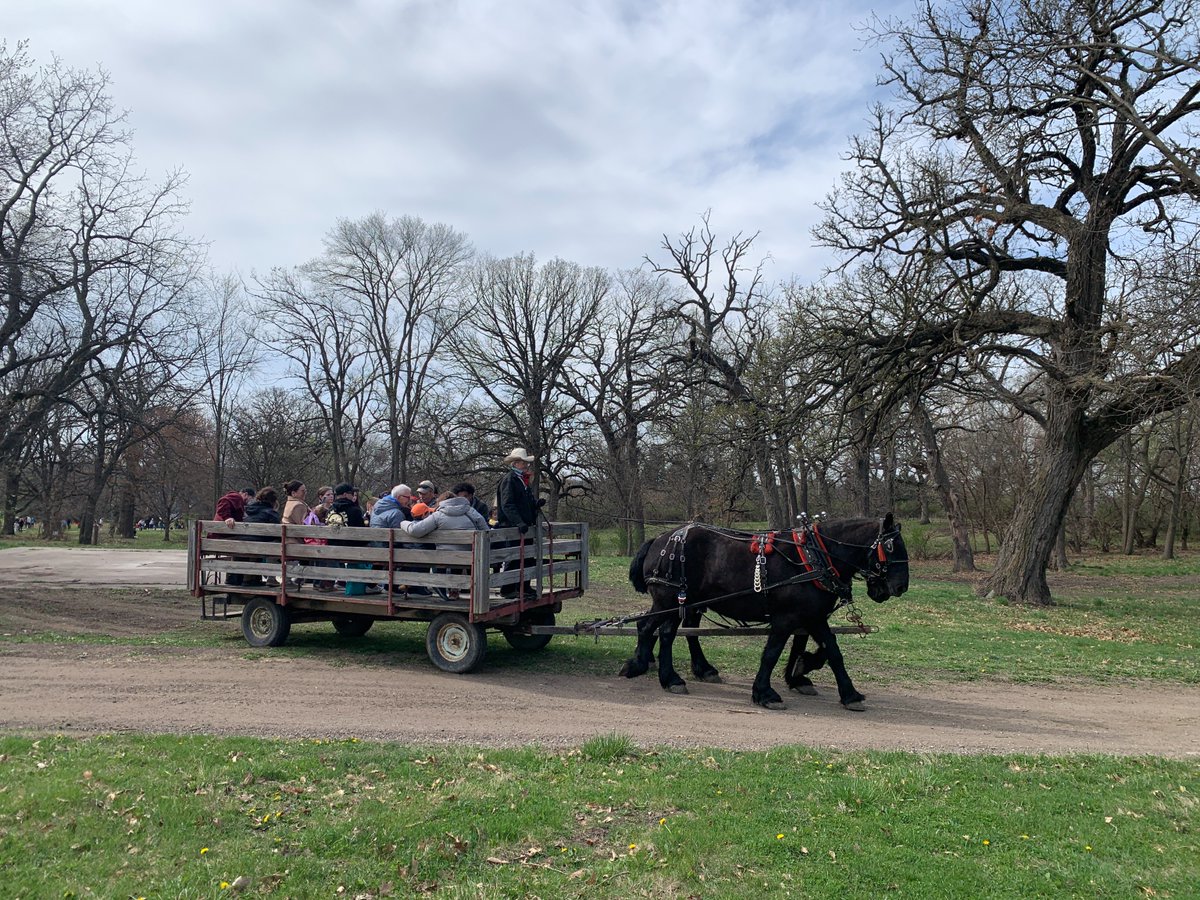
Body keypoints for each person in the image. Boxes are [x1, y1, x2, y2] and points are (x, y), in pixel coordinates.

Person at [495, 447, 545, 598]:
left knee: (528, 557)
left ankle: (524, 586)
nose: (526, 465)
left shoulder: (521, 480)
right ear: (516, 463)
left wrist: (535, 504)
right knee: (514, 558)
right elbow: (507, 504)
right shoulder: (509, 480)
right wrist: (519, 522)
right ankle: (508, 589)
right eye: (523, 463)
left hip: (524, 526)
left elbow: (522, 502)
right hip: (512, 527)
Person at [213, 486, 255, 589]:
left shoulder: (239, 501)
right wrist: (227, 517)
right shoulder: (236, 497)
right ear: (245, 494)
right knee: (246, 546)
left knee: (243, 545)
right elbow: (223, 502)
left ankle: (234, 578)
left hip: (222, 534)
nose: (249, 501)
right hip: (221, 535)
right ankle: (243, 578)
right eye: (250, 498)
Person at [243, 487, 282, 587]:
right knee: (278, 544)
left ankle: (248, 579)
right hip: (259, 545)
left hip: (244, 543)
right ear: (273, 501)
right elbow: (278, 532)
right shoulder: (270, 513)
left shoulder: (249, 510)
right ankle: (271, 578)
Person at [281, 480, 310, 588]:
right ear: (294, 493)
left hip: (287, 541)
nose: (305, 492)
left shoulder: (289, 503)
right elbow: (302, 526)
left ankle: (298, 578)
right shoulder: (299, 505)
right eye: (303, 491)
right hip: (294, 542)